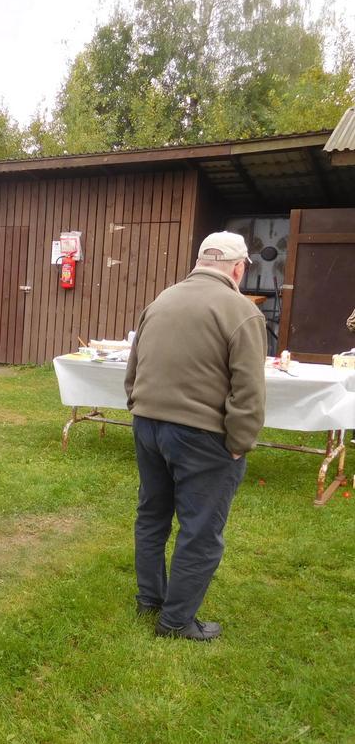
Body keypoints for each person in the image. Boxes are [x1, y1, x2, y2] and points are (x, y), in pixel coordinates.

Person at [125, 231, 266, 641]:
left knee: (152, 515)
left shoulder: (161, 300)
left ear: (201, 261)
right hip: (202, 434)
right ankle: (176, 621)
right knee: (200, 529)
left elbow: (134, 368)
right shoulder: (241, 310)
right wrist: (239, 443)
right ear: (237, 268)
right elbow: (249, 390)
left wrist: (139, 406)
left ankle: (150, 599)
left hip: (148, 424)